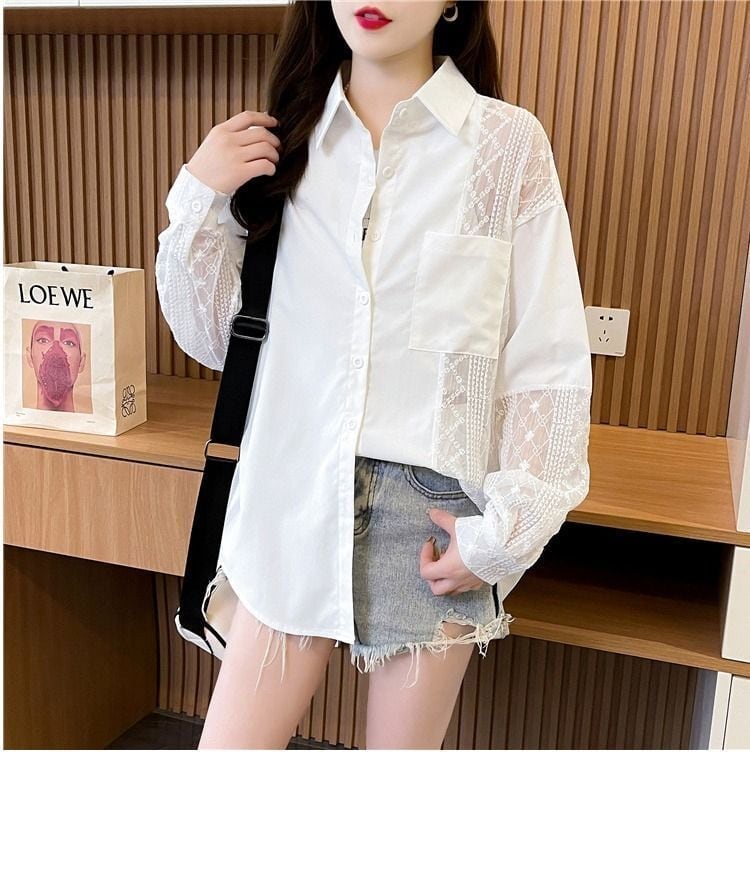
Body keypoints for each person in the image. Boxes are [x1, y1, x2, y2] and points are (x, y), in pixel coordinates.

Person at [155, 0, 592, 750]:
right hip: (292, 495)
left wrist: (504, 532)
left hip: (429, 522)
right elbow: (218, 341)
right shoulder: (285, 147)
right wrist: (200, 196)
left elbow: (545, 355)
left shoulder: (506, 145)